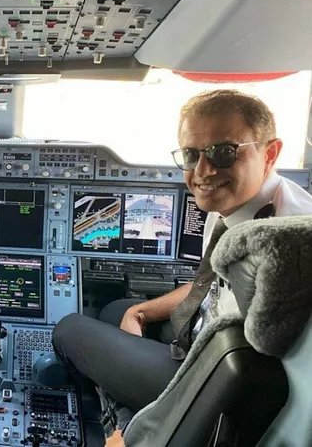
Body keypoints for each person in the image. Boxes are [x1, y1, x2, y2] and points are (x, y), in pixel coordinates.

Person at [52, 89, 312, 413]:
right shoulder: (231, 206)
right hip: (204, 336)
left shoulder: (288, 244)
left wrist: (152, 431)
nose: (203, 171)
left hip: (212, 384)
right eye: (191, 154)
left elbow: (264, 382)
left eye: (223, 153)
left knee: (68, 331)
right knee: (116, 312)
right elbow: (212, 286)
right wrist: (141, 312)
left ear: (270, 153)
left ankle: (122, 419)